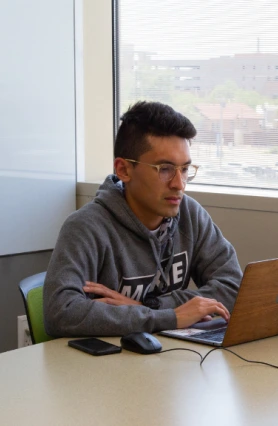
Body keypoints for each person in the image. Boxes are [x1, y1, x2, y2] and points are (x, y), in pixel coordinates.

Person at [44, 101, 242, 337]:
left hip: (169, 363)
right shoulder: (85, 227)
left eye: (185, 169)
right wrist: (171, 317)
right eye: (165, 169)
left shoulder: (190, 214)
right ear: (124, 170)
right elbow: (61, 313)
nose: (179, 184)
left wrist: (150, 308)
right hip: (103, 368)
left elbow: (234, 287)